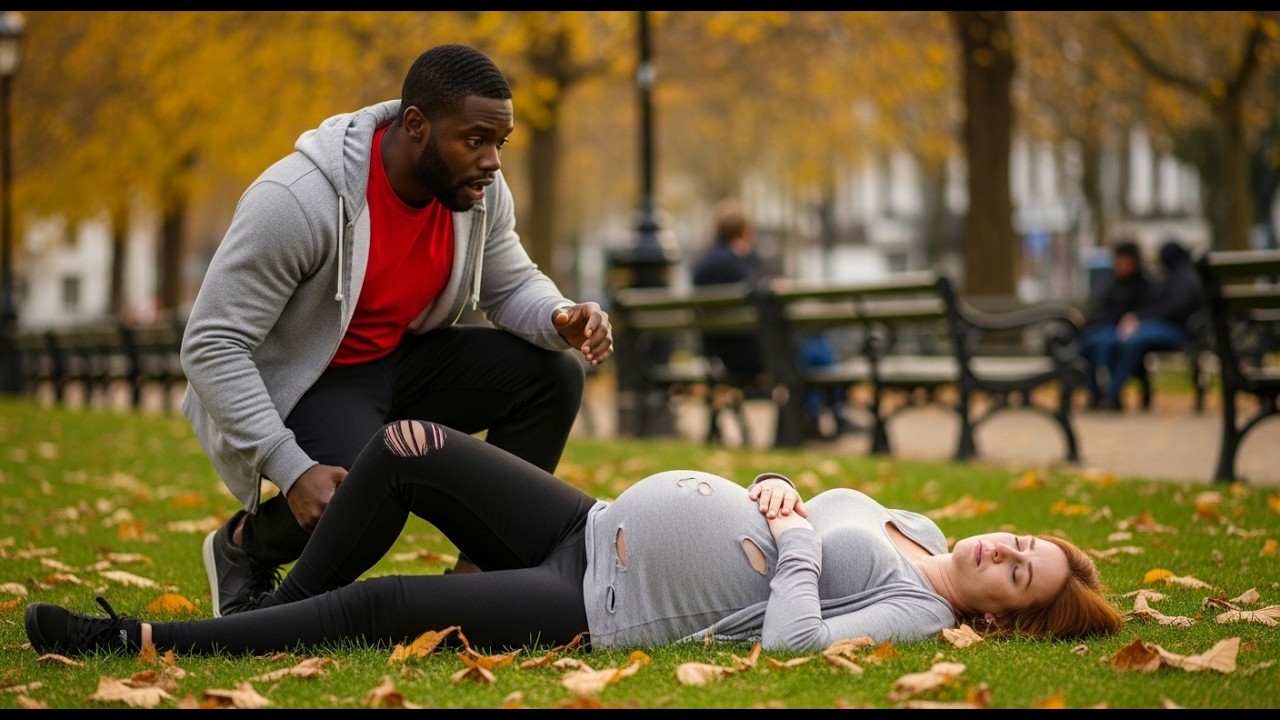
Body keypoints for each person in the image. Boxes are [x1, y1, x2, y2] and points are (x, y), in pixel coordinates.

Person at [25, 419, 1124, 659]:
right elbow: (799, 491)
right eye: (1016, 540)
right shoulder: (920, 526)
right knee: (408, 447)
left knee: (392, 609)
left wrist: (788, 540)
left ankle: (132, 643)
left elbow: (791, 643)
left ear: (994, 614)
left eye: (1015, 576)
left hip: (599, 605)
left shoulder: (918, 607)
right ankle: (265, 609)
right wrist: (781, 486)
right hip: (588, 524)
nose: (998, 551)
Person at [180, 44, 614, 619]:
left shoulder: (475, 193)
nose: (492, 161)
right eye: (475, 140)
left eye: (500, 144)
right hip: (313, 379)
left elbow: (510, 285)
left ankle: (479, 575)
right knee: (372, 500)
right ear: (416, 126)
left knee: (552, 374)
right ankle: (245, 550)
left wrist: (562, 317)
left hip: (399, 360)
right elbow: (211, 344)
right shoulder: (296, 201)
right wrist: (290, 466)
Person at [690, 200, 854, 439]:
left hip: (723, 353)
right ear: (746, 231)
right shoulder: (737, 263)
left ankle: (817, 416)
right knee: (814, 349)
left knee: (811, 349)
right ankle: (828, 414)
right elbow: (764, 295)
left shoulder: (703, 265)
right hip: (755, 354)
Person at [1094, 238, 1205, 411]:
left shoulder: (1183, 278)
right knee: (1123, 340)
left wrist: (1140, 318)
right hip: (1174, 328)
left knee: (1132, 341)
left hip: (1181, 331)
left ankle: (1112, 391)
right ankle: (1112, 392)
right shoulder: (1179, 275)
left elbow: (1173, 308)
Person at [1079, 239, 1151, 409]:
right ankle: (1096, 393)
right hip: (1102, 327)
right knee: (1087, 346)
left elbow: (1149, 309)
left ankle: (1111, 394)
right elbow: (1098, 309)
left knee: (1109, 346)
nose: (1121, 265)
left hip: (1125, 332)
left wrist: (1132, 319)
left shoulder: (1144, 284)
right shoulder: (1110, 282)